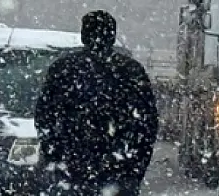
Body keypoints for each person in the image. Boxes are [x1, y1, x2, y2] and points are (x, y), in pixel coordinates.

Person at [35, 10, 159, 195]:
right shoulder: (131, 71)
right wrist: (134, 167)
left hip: (72, 170)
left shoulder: (63, 69)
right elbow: (147, 125)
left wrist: (56, 155)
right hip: (117, 169)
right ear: (112, 36)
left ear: (84, 35)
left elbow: (45, 116)